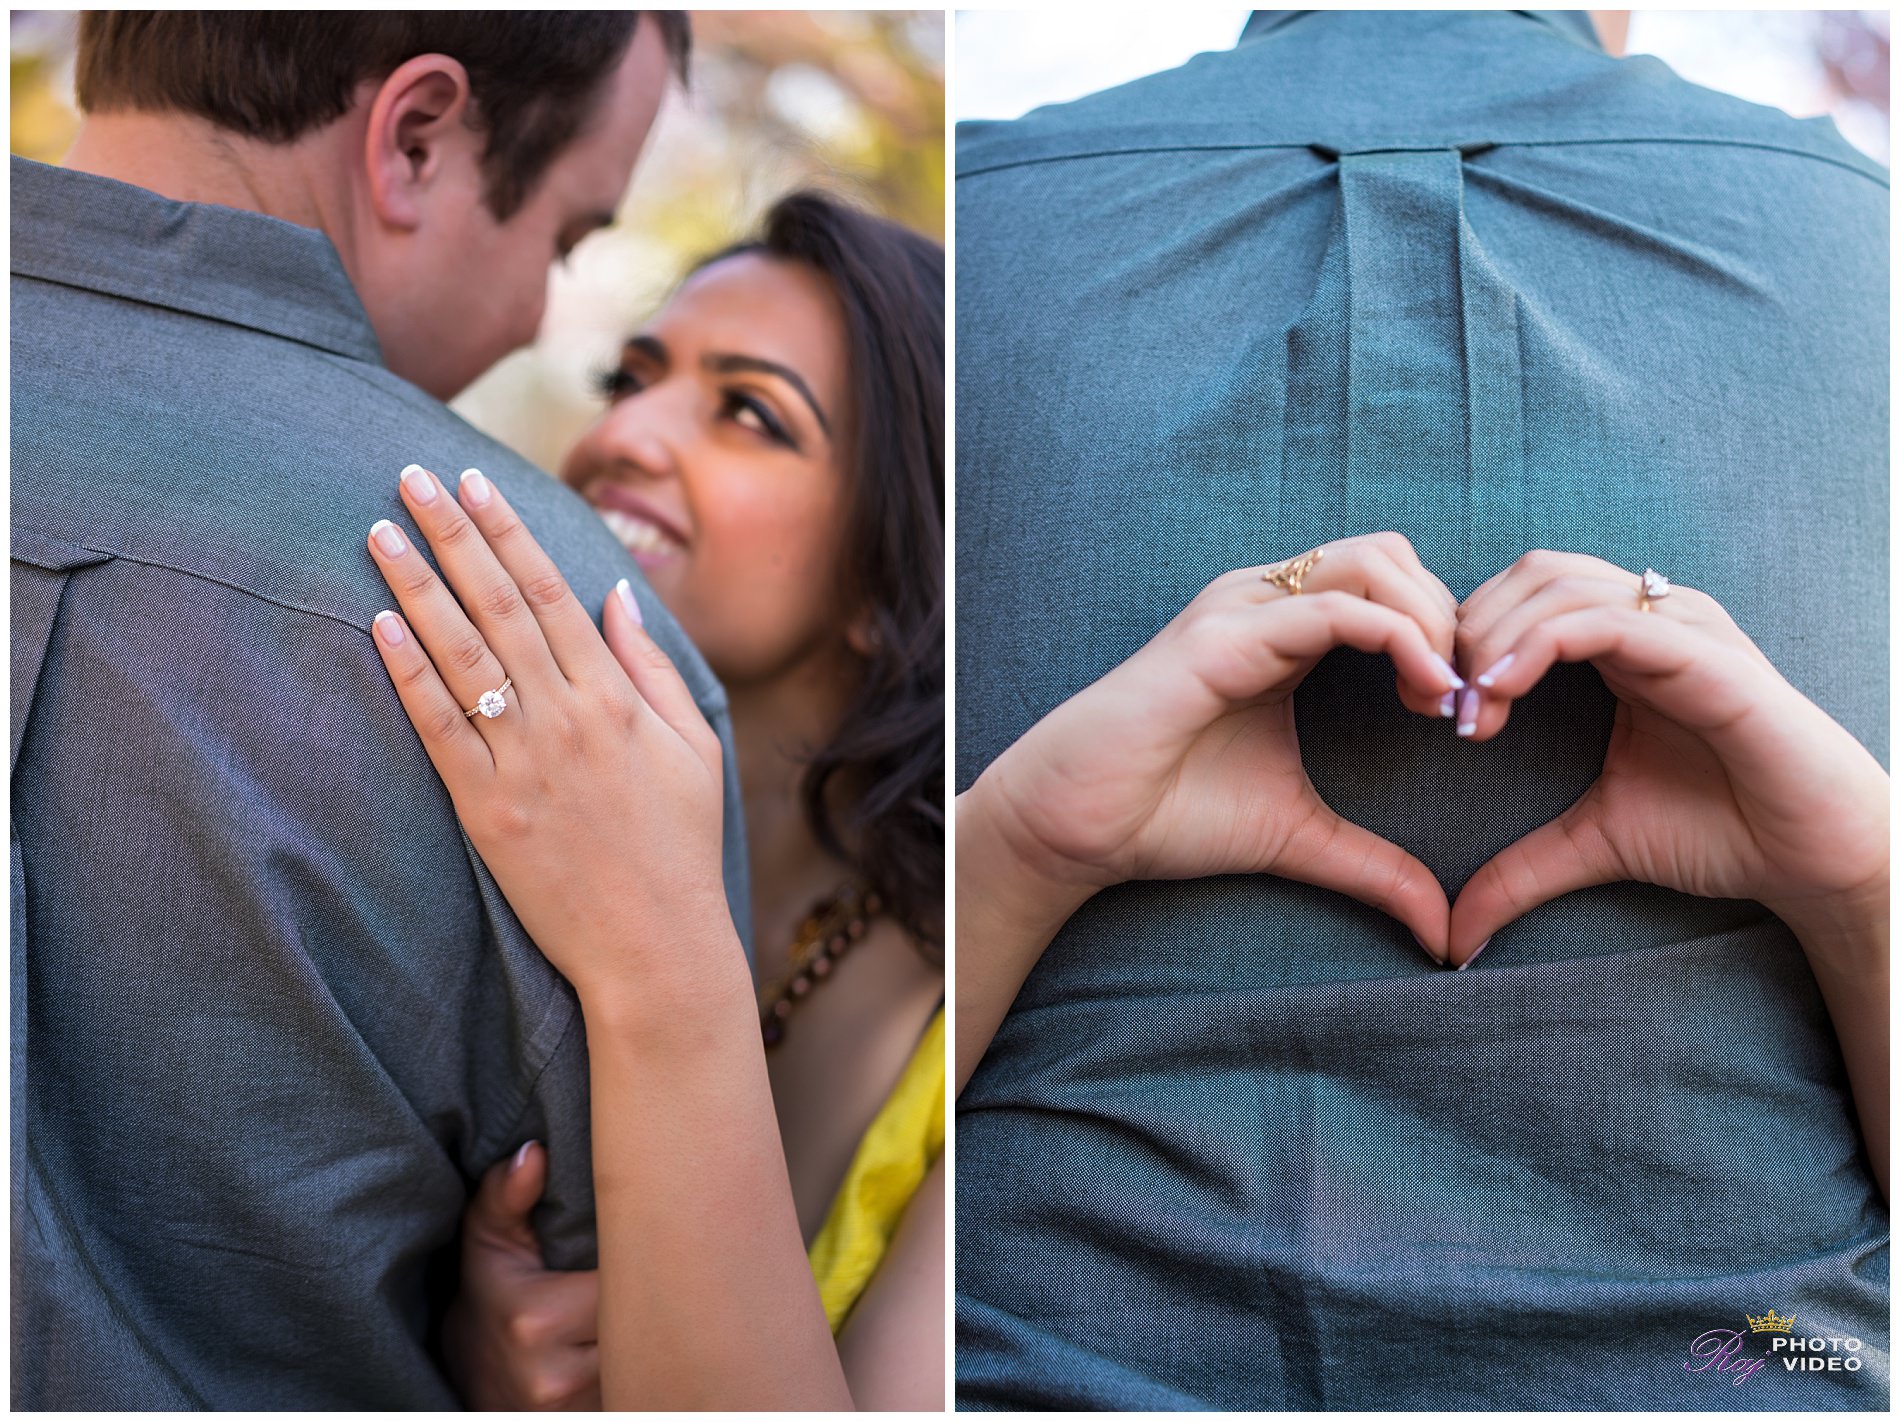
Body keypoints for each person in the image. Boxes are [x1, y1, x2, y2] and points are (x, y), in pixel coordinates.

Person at [954, 8, 1887, 1410]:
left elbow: (821, 1198)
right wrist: (1871, 885)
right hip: (1759, 1352)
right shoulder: (1864, 245)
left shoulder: (976, 234)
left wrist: (1009, 851)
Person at [10, 13, 745, 1410]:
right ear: (414, 137)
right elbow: (636, 1324)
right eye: (571, 239)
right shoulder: (573, 649)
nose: (541, 312)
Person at [360, 192, 945, 1409]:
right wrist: (473, 1354)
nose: (622, 433)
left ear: (887, 564)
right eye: (630, 375)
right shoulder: (480, 829)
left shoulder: (977, 1018)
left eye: (749, 412)